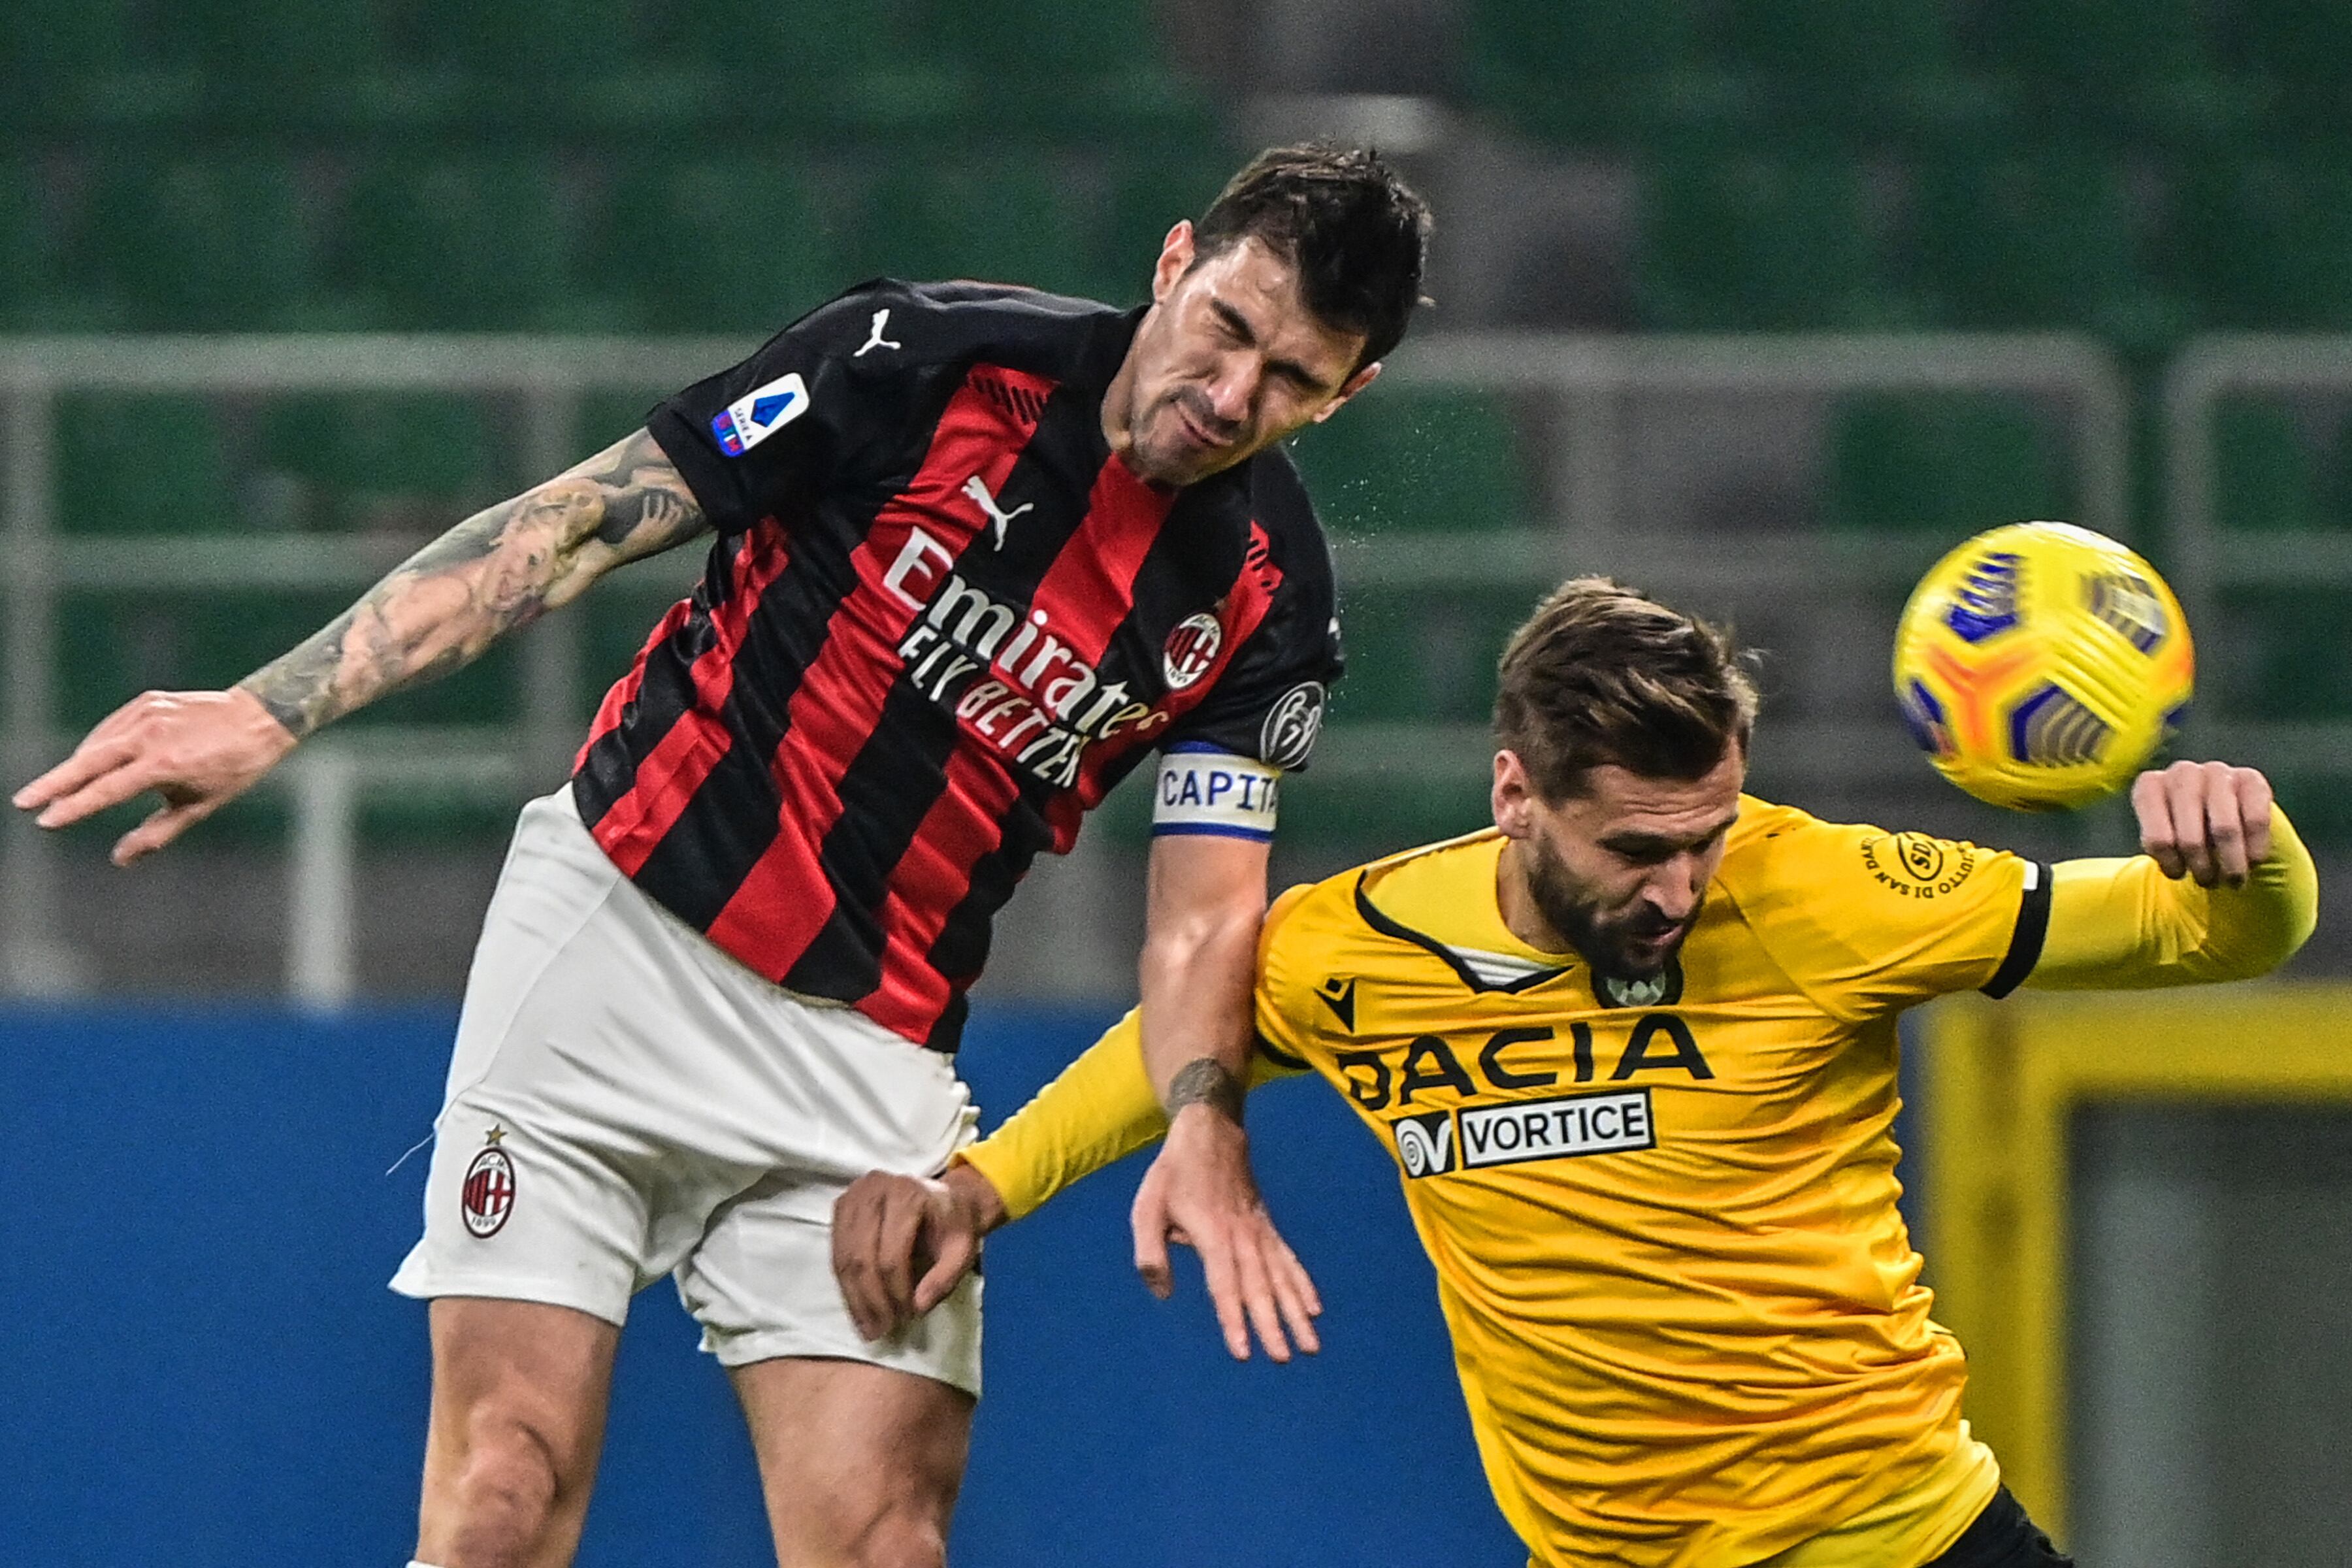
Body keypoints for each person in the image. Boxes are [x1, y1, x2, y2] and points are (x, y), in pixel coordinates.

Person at [11, 144, 1432, 1567]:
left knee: (888, 1547)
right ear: (1174, 261)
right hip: (612, 949)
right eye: (1229, 330)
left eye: (1297, 380)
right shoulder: (919, 361)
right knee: (502, 1499)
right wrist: (272, 709)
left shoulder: (1270, 604)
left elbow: (1202, 923)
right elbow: (571, 527)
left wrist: (1203, 1118)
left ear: (1349, 391)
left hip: (868, 1059)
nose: (1236, 394)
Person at [832, 576, 2321, 1568]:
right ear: (1514, 798)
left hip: (1894, 1537)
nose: (1680, 888)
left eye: (1708, 835)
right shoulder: (1362, 945)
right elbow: (1194, 1016)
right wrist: (980, 1188)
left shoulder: (1833, 890)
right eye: (1636, 849)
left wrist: (2250, 853)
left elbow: (2212, 938)